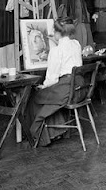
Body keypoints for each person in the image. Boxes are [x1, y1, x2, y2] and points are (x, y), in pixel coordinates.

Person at [26, 17, 83, 147]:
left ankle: (42, 136)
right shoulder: (76, 44)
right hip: (80, 88)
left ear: (57, 32)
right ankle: (56, 132)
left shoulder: (56, 51)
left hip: (66, 90)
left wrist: (43, 86)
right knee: (48, 96)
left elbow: (52, 78)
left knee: (35, 96)